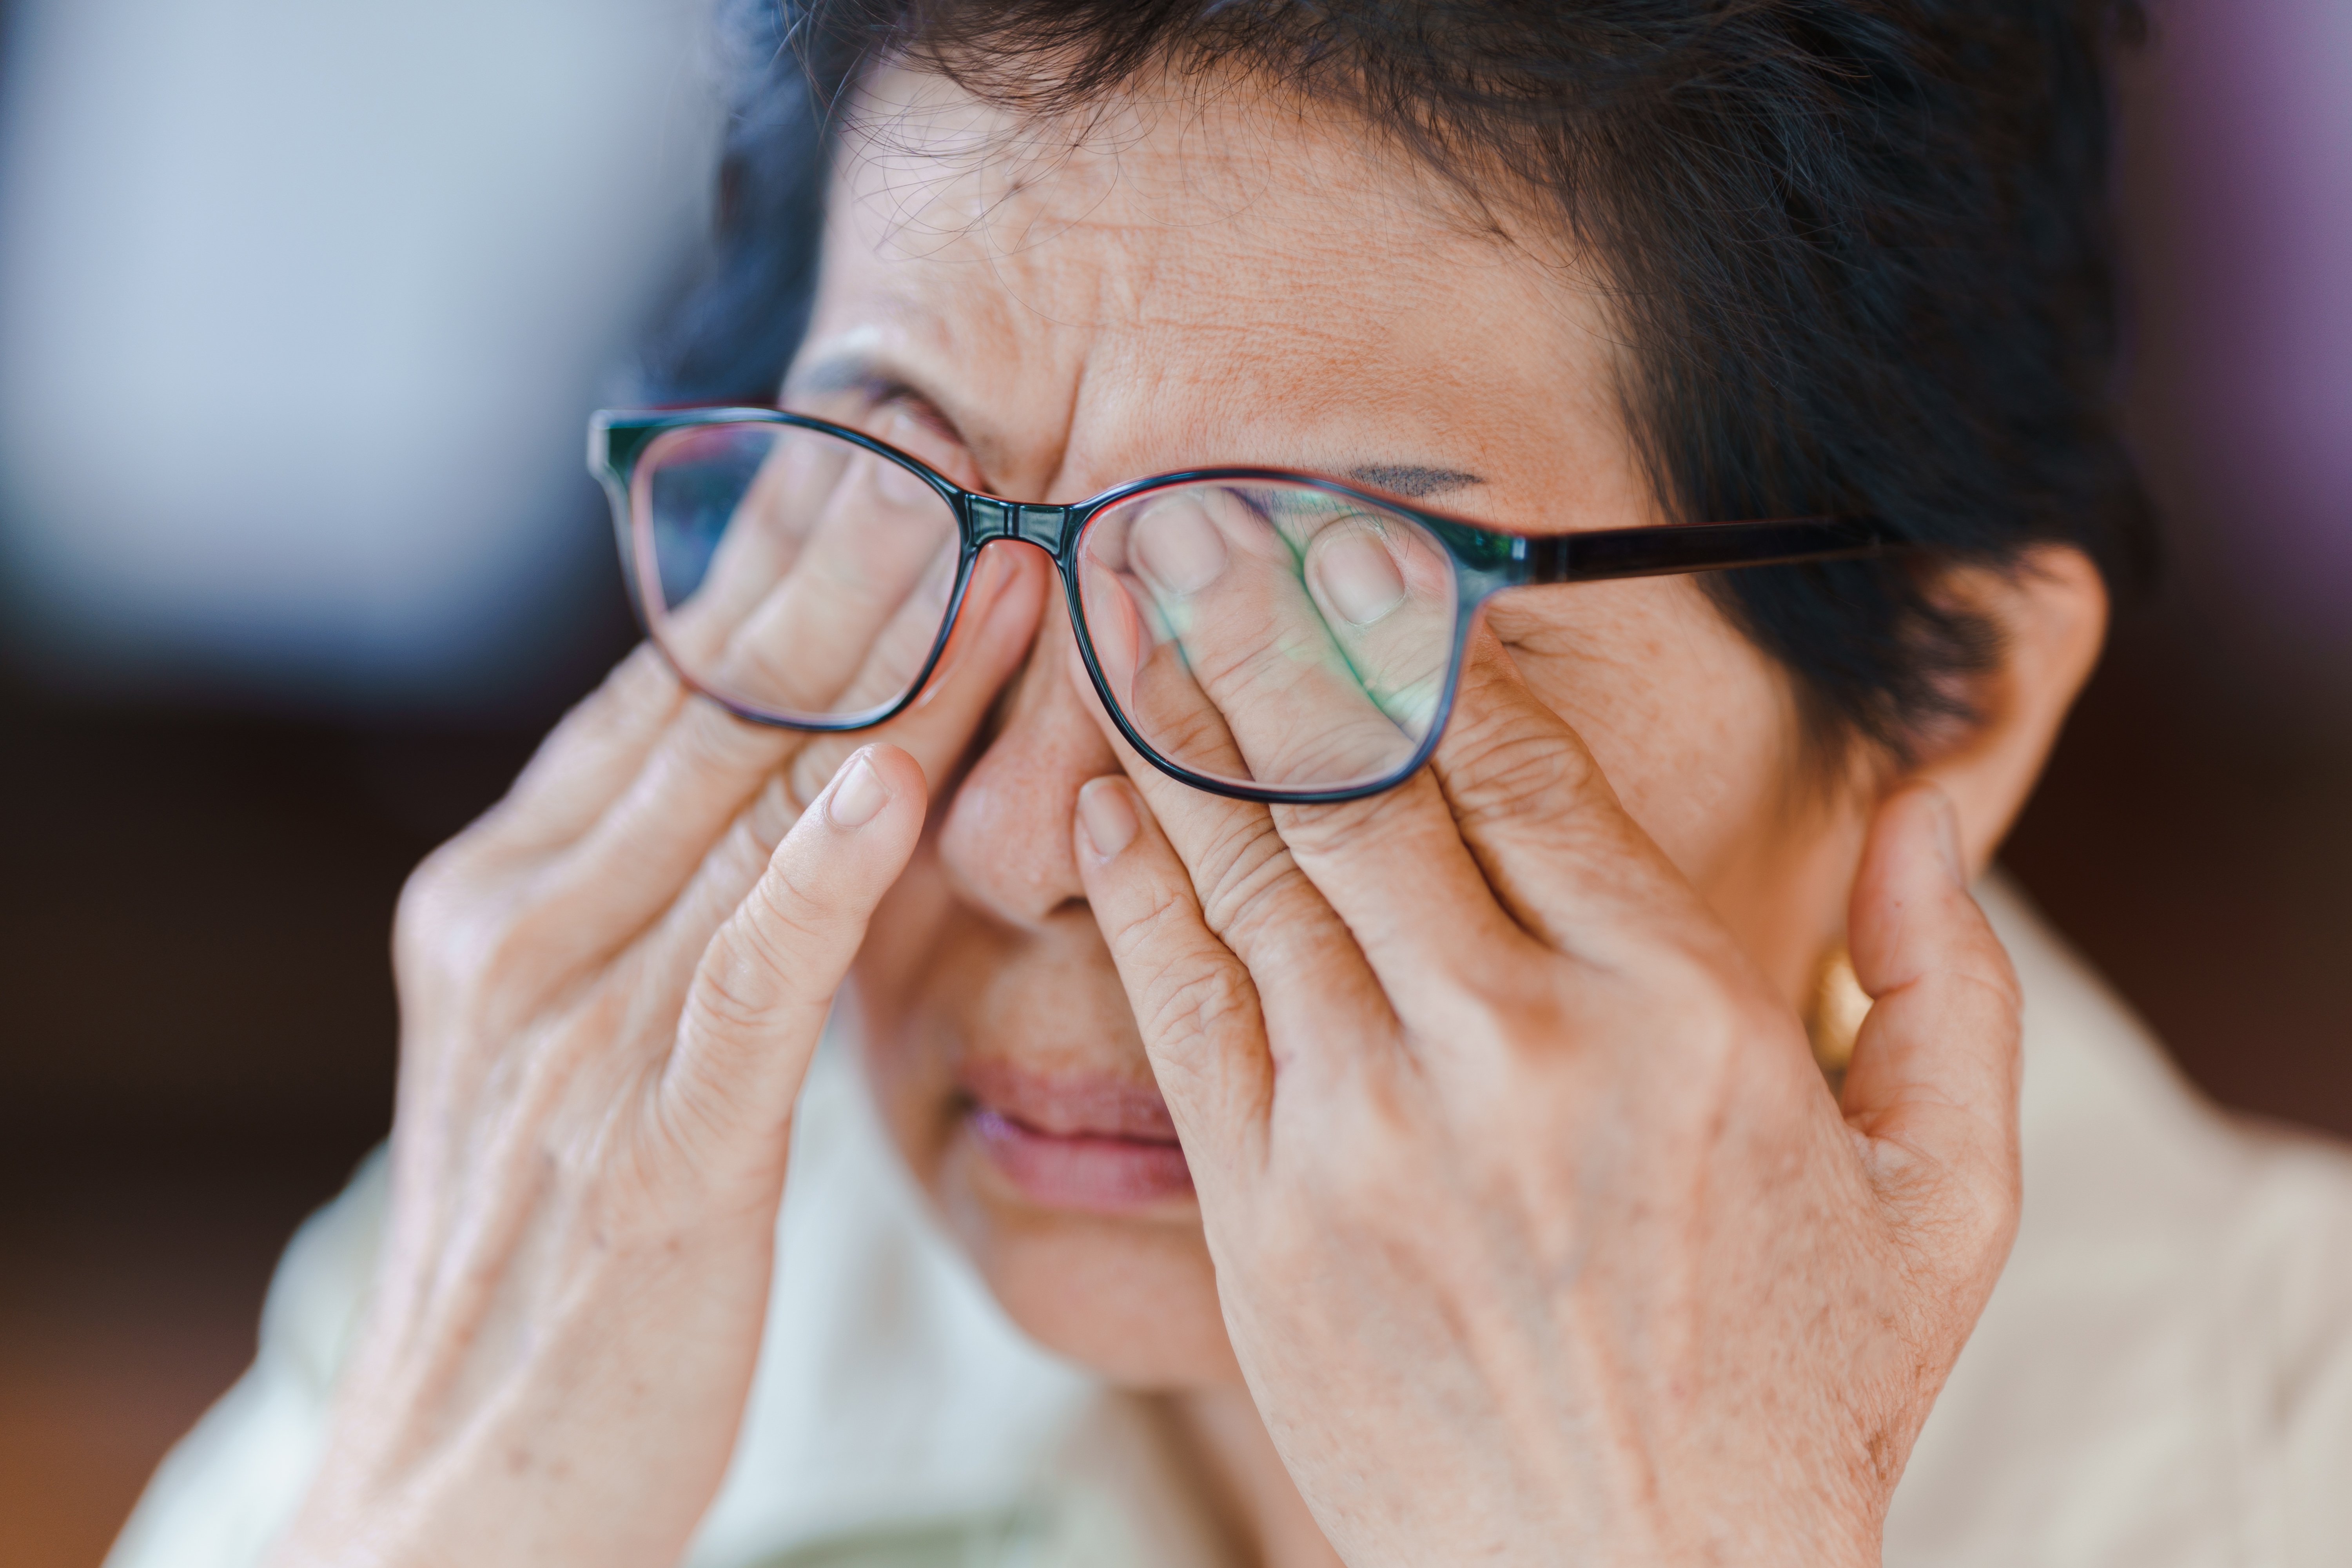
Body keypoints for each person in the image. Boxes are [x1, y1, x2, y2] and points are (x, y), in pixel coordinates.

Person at [108, 2, 2352, 1564]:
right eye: (898, 511)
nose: (1004, 837)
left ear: (1940, 710)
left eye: (1315, 608)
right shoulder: (541, 1268)